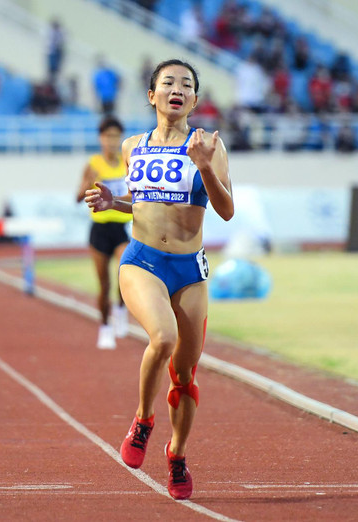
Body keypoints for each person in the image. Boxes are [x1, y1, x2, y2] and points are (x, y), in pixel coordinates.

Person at [84, 59, 234, 500]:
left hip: (188, 270)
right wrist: (113, 200)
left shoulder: (208, 147)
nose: (177, 89)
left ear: (195, 99)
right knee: (163, 338)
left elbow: (226, 211)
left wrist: (204, 167)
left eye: (186, 84)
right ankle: (143, 420)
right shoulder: (133, 146)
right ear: (152, 96)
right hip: (142, 261)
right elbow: (142, 201)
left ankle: (177, 454)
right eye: (168, 82)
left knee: (184, 376)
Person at [76, 116, 132, 350]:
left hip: (121, 228)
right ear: (101, 138)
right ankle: (105, 328)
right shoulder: (93, 164)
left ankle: (121, 307)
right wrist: (87, 184)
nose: (111, 141)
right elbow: (78, 197)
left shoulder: (127, 163)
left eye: (116, 136)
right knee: (104, 284)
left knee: (125, 272)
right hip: (100, 229)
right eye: (108, 136)